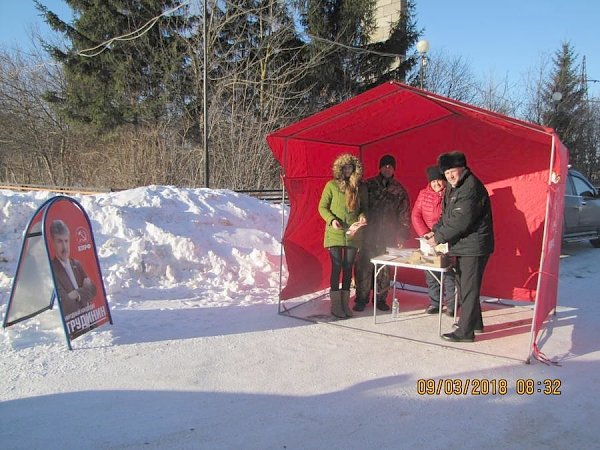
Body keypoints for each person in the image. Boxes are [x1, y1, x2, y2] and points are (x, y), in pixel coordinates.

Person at [425, 151, 494, 342]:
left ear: (462, 168)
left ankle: (465, 332)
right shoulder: (455, 188)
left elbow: (460, 221)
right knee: (465, 287)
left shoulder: (470, 187)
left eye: (452, 172)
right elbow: (447, 216)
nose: (449, 176)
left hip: (474, 246)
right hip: (464, 246)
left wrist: (438, 237)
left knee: (468, 288)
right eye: (446, 173)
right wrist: (435, 230)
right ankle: (475, 323)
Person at [354, 154, 410, 312]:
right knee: (363, 267)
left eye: (390, 167)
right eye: (385, 166)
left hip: (388, 235)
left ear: (394, 170)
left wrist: (402, 234)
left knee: (385, 270)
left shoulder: (399, 190)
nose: (387, 169)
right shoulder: (368, 185)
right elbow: (358, 205)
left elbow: (404, 214)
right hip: (368, 233)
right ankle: (361, 298)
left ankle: (380, 299)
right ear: (380, 168)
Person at [318, 153, 368, 319]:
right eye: (345, 167)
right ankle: (335, 304)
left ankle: (345, 304)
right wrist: (332, 220)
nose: (348, 170)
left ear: (355, 170)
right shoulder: (331, 185)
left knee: (348, 267)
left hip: (353, 233)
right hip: (335, 233)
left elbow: (364, 208)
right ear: (340, 169)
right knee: (337, 266)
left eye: (351, 168)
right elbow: (322, 207)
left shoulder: (359, 187)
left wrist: (362, 217)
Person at [411, 165, 456, 315]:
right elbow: (415, 215)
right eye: (433, 181)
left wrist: (439, 235)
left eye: (439, 181)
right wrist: (425, 233)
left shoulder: (451, 194)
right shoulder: (423, 194)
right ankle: (435, 303)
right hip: (427, 240)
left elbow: (452, 218)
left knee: (448, 272)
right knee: (430, 272)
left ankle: (451, 305)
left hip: (445, 238)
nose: (436, 184)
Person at [50, 219, 97, 317]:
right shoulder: (52, 269)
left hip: (90, 319)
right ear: (53, 243)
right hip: (73, 325)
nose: (64, 246)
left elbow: (93, 290)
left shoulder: (76, 263)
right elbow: (66, 304)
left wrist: (77, 293)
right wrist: (84, 290)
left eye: (66, 241)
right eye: (59, 241)